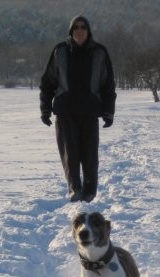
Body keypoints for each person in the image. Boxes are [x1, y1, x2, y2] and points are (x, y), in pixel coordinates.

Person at [39, 15, 116, 203]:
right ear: (71, 31)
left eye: (83, 27)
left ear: (88, 31)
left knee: (90, 156)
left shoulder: (99, 52)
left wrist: (109, 111)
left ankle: (89, 193)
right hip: (66, 112)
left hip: (90, 112)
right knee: (70, 156)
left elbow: (108, 85)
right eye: (75, 28)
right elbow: (48, 82)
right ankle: (75, 190)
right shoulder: (60, 51)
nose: (79, 31)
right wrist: (45, 109)